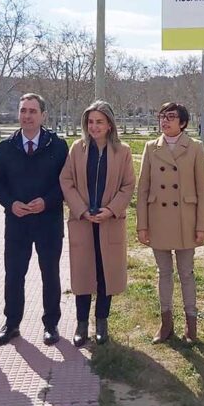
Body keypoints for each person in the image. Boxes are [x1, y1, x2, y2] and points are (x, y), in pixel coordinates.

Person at [0, 93, 69, 347]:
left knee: (50, 274)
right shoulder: (6, 146)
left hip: (48, 222)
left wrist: (47, 201)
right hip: (17, 223)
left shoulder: (57, 146)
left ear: (43, 115)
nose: (27, 116)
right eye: (23, 111)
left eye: (33, 111)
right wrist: (10, 204)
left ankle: (51, 324)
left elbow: (66, 183)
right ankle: (11, 324)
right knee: (14, 274)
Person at [59, 101, 135, 348]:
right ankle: (82, 325)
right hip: (83, 222)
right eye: (90, 122)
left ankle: (102, 322)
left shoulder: (122, 151)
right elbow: (66, 180)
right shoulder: (77, 149)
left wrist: (111, 210)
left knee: (106, 273)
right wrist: (81, 210)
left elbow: (128, 185)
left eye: (99, 122)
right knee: (83, 274)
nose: (94, 126)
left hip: (109, 222)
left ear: (110, 124)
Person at [137, 102, 204, 345]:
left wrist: (202, 226)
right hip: (158, 218)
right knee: (163, 273)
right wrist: (142, 225)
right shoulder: (150, 148)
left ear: (183, 122)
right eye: (162, 116)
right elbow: (143, 188)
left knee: (187, 274)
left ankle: (192, 325)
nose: (165, 121)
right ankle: (166, 323)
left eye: (171, 117)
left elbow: (202, 191)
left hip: (185, 221)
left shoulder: (195, 148)